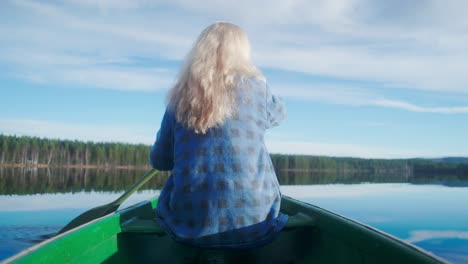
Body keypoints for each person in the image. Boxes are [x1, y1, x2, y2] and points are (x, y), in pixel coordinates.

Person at [150, 22, 287, 249]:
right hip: (257, 221)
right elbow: (280, 115)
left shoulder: (178, 97)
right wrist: (260, 87)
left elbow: (160, 160)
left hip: (189, 225)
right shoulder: (259, 89)